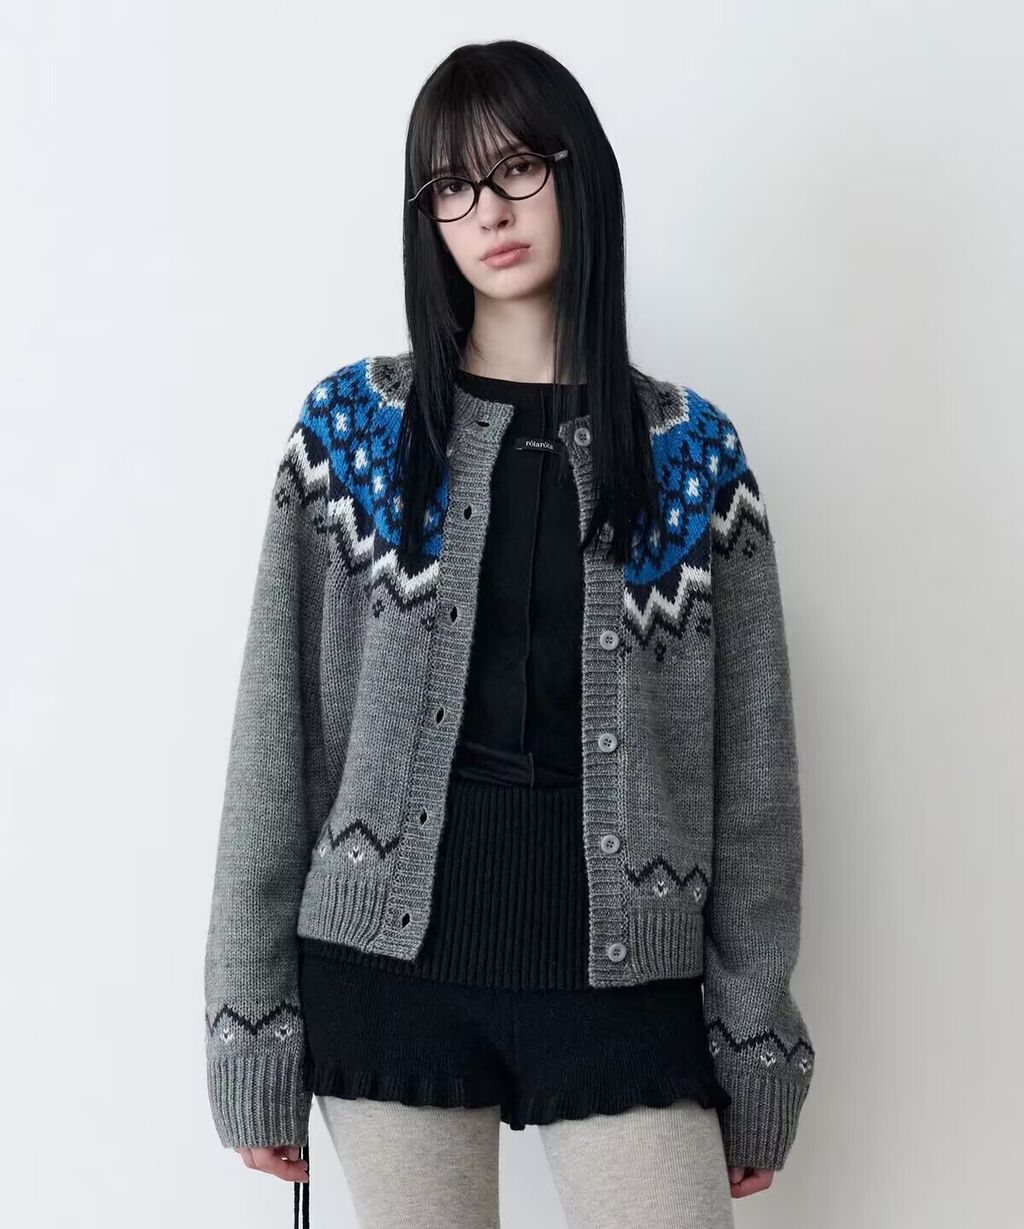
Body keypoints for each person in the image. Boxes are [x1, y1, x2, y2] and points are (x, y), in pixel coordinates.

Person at [203, 38, 815, 1229]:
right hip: (387, 974)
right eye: (451, 185)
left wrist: (754, 1041)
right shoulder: (352, 434)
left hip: (623, 978)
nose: (487, 210)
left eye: (519, 167)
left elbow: (754, 784)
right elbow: (276, 736)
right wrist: (249, 1022)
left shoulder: (692, 455)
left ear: (581, 174)